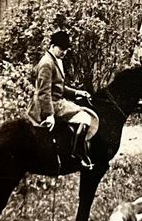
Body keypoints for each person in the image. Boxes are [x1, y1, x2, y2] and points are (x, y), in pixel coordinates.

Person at [26, 31, 98, 169]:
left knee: (83, 113)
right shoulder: (47, 64)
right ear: (52, 46)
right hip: (49, 104)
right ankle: (78, 154)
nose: (64, 52)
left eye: (66, 49)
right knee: (85, 117)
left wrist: (77, 92)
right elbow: (44, 92)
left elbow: (59, 87)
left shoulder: (55, 60)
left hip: (55, 101)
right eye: (61, 49)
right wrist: (49, 115)